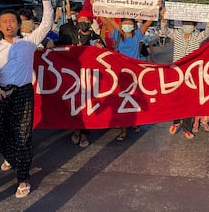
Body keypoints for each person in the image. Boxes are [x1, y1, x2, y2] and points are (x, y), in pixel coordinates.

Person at [0, 0, 53, 198]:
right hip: (3, 94)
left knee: (22, 135)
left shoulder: (29, 42)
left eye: (12, 21)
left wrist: (47, 0)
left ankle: (23, 178)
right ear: (0, 25)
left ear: (18, 24)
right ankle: (12, 157)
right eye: (4, 22)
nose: (9, 25)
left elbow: (47, 24)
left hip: (23, 94)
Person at [160, 7, 209, 139]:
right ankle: (175, 123)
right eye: (186, 23)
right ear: (182, 24)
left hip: (191, 73)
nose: (187, 26)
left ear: (195, 26)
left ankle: (186, 129)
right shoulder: (177, 34)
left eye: (190, 24)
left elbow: (207, 34)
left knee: (190, 102)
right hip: (176, 72)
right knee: (176, 99)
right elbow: (165, 30)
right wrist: (163, 17)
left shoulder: (197, 36)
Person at [100, 16, 154, 141]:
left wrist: (155, 9)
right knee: (121, 99)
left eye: (130, 23)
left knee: (135, 97)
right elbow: (105, 21)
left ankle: (136, 121)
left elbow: (148, 21)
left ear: (134, 25)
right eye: (125, 23)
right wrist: (96, 6)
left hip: (134, 72)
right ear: (121, 24)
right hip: (120, 72)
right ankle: (123, 130)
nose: (127, 25)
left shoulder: (138, 35)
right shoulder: (117, 35)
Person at [66, 9, 106, 148]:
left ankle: (83, 133)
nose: (83, 23)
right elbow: (60, 47)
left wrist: (101, 48)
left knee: (87, 105)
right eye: (80, 20)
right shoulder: (71, 35)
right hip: (74, 76)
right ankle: (77, 128)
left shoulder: (96, 37)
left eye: (86, 20)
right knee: (76, 104)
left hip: (90, 78)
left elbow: (105, 55)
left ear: (90, 22)